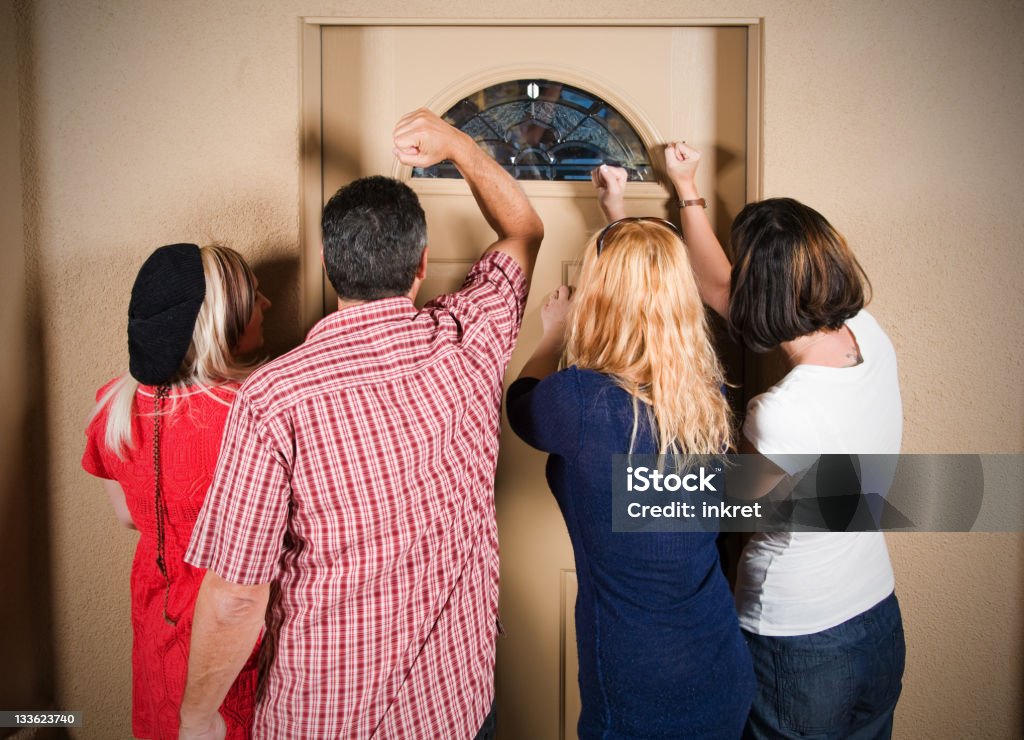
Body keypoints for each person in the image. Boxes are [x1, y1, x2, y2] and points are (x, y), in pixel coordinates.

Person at [178, 108, 543, 739]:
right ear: (422, 264)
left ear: (326, 262)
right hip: (453, 709)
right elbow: (524, 229)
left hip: (325, 719)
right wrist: (456, 144)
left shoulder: (273, 399)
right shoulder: (469, 339)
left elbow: (237, 595)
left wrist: (196, 715)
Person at [660, 142, 906, 739]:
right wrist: (686, 188)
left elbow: (720, 500)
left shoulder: (780, 413)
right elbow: (723, 289)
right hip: (876, 618)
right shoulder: (869, 336)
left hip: (799, 642)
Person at [505, 165, 756, 739]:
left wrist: (554, 332)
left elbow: (522, 402)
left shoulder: (580, 405)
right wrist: (615, 214)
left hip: (639, 692)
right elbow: (650, 295)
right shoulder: (703, 392)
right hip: (721, 664)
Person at [81, 243, 271, 740]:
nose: (268, 304)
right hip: (233, 639)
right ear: (221, 319)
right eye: (255, 295)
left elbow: (126, 515)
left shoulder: (113, 406)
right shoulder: (251, 413)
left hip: (158, 622)